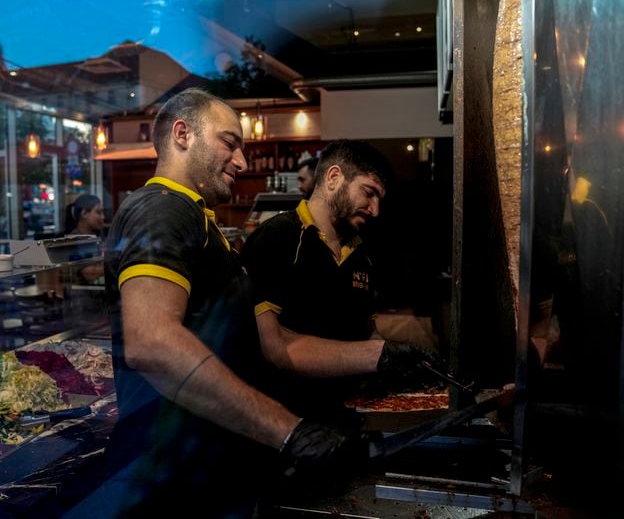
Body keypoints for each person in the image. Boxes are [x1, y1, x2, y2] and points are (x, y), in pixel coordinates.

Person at [68, 89, 381, 518]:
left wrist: (380, 355)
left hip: (213, 473)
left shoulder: (201, 222)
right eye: (229, 142)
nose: (241, 162)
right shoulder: (162, 210)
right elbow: (152, 344)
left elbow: (273, 341)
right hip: (172, 480)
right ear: (183, 134)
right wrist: (288, 431)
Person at [241, 139, 442, 420]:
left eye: (379, 200)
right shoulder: (276, 239)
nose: (375, 210)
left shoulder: (362, 254)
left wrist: (395, 364)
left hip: (348, 414)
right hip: (291, 422)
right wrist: (378, 355)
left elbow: (366, 331)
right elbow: (275, 350)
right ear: (334, 177)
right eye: (369, 193)